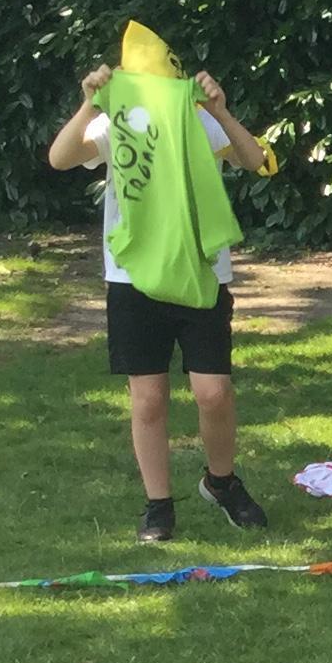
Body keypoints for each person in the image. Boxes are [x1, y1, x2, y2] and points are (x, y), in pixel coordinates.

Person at [48, 47, 272, 545]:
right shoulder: (117, 120)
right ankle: (158, 505)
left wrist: (220, 110)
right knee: (147, 399)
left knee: (213, 392)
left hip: (201, 274)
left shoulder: (199, 118)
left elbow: (255, 159)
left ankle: (222, 483)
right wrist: (90, 104)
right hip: (133, 278)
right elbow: (60, 158)